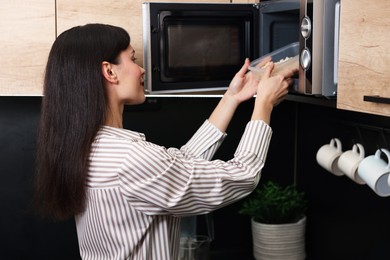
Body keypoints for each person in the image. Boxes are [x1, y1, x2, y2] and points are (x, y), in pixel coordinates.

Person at [34, 23, 296, 259]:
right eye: (133, 60)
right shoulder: (130, 157)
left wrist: (232, 97)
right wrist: (264, 103)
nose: (141, 69)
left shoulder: (90, 147)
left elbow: (178, 166)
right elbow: (243, 175)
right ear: (109, 72)